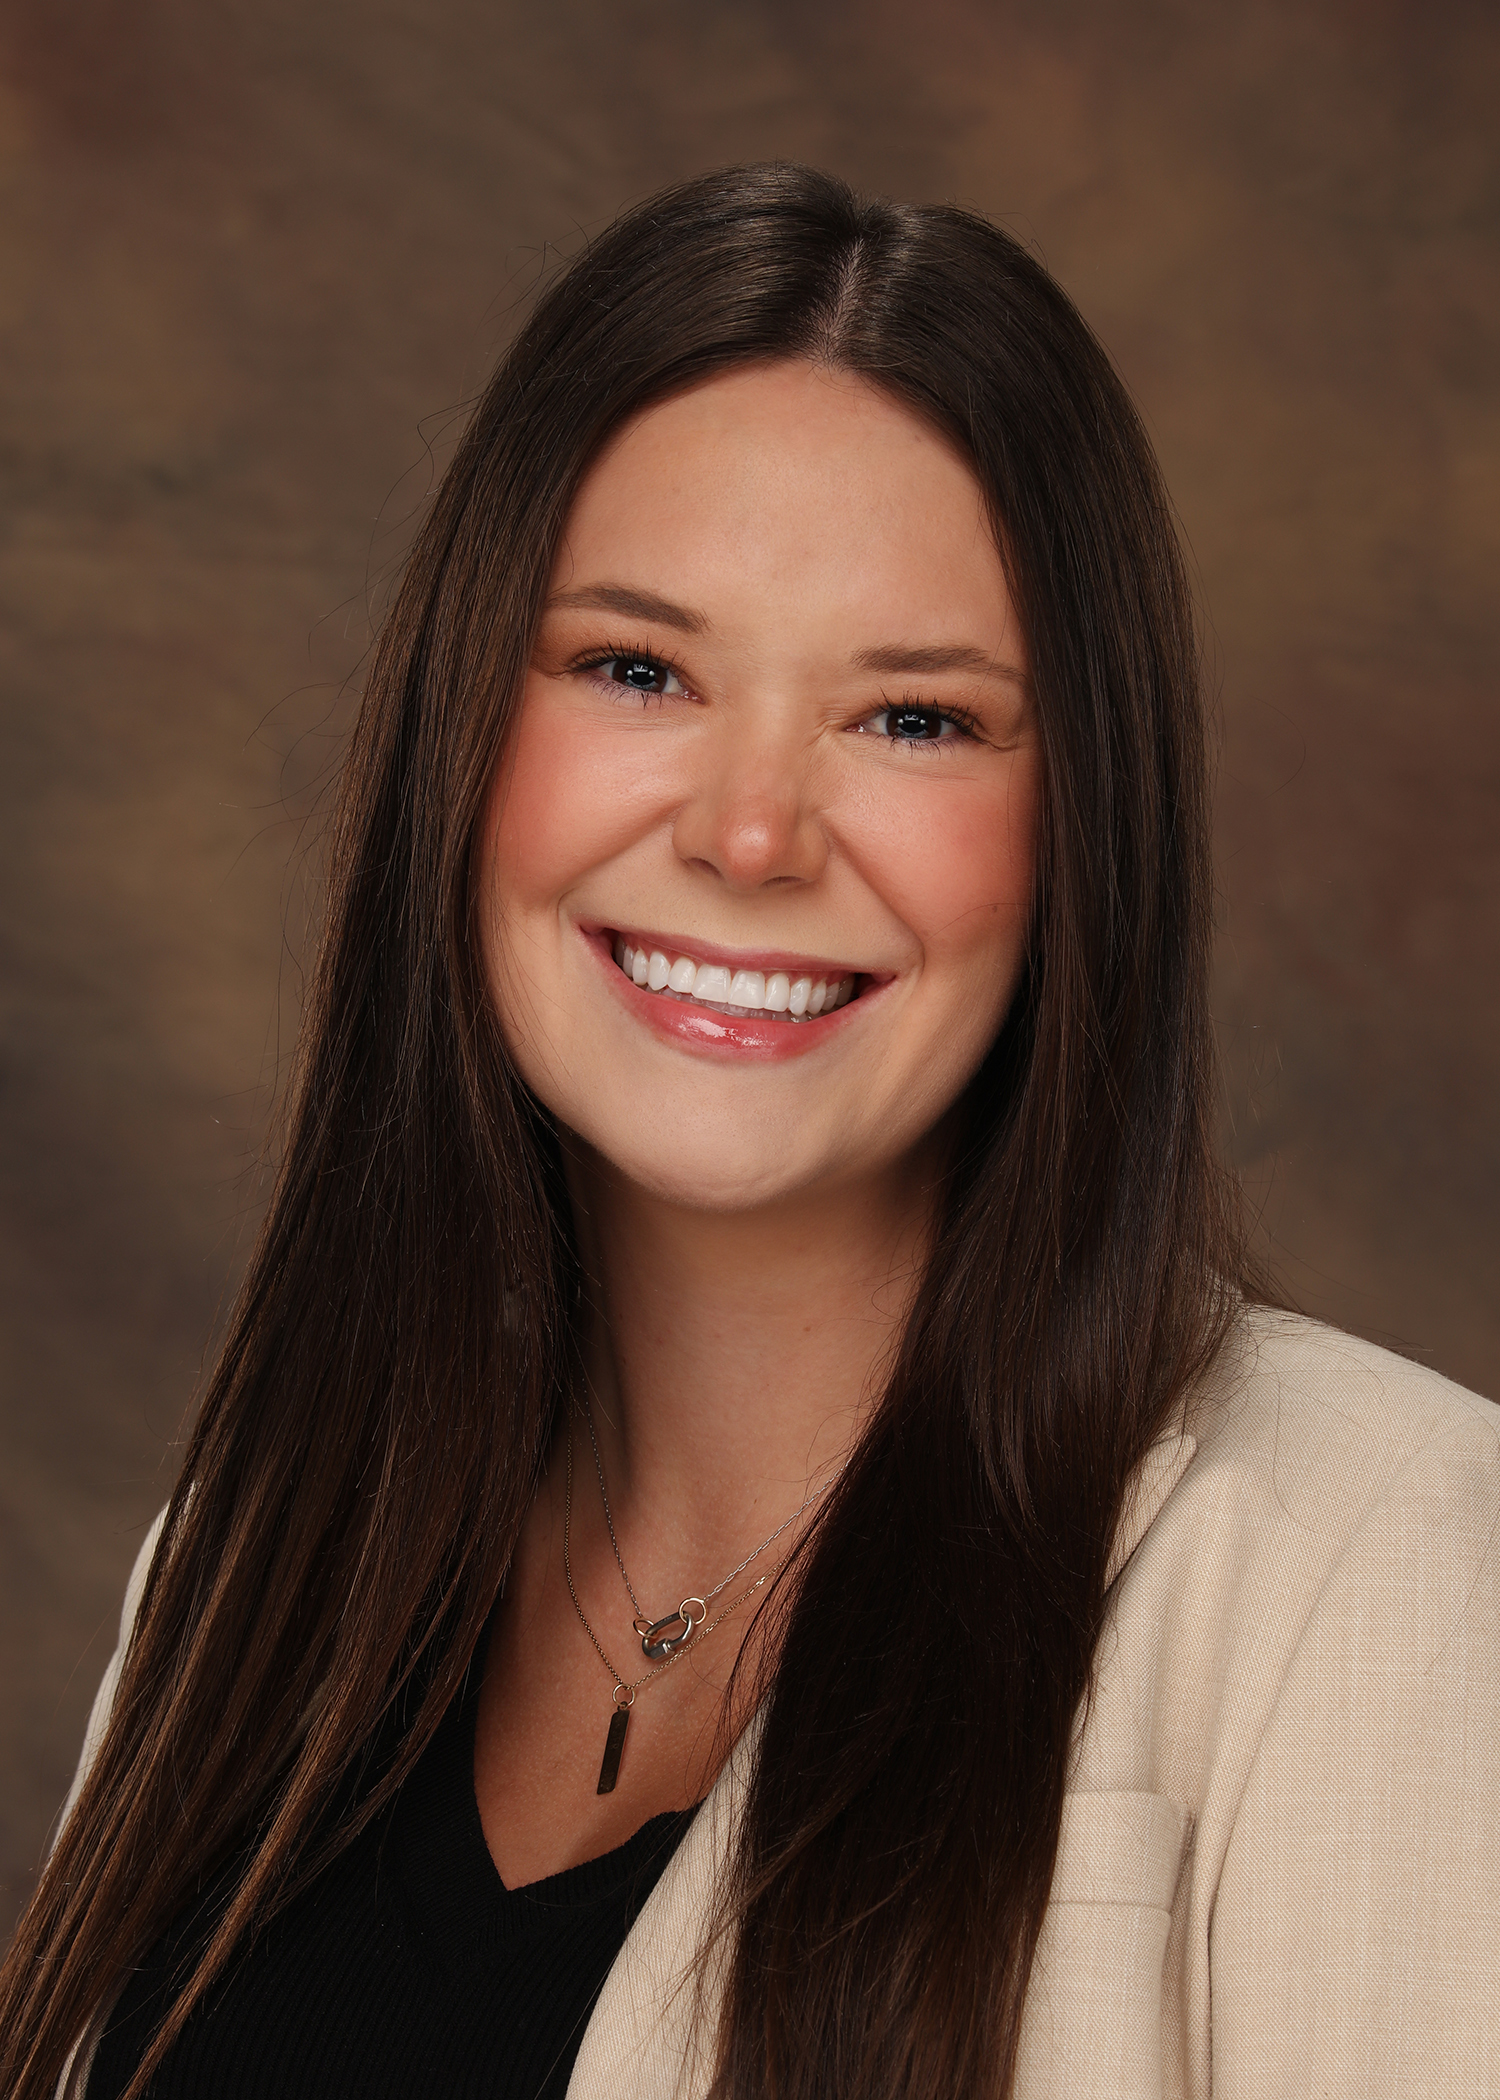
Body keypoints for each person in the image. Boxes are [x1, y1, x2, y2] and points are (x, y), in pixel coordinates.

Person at [2, 163, 1495, 2100]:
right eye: (636, 669)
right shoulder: (252, 1573)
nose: (753, 830)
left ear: (1081, 831)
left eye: (914, 719)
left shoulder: (1377, 1565)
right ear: (467, 734)